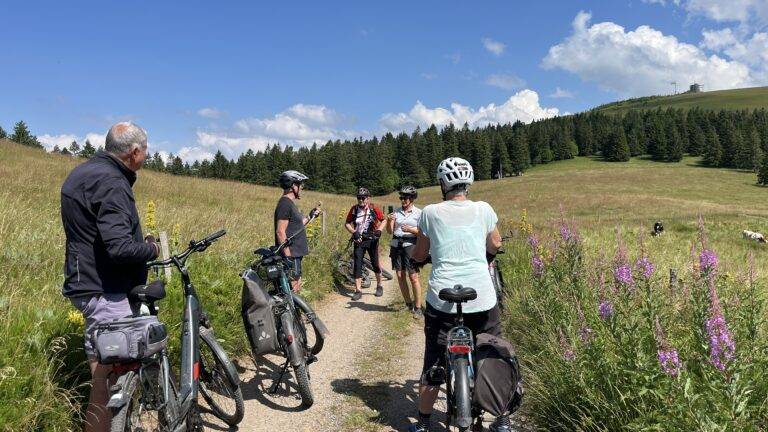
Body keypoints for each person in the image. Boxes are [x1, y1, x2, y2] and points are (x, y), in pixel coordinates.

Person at [61, 122, 160, 432]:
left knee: (101, 375)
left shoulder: (80, 173)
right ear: (133, 152)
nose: (145, 159)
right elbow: (118, 247)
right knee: (113, 383)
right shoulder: (113, 183)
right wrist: (150, 249)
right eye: (145, 153)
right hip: (107, 290)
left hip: (85, 284)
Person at [409, 157, 510, 432]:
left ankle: (423, 424)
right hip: (481, 296)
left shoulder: (429, 212)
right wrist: (486, 255)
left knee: (433, 360)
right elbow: (496, 243)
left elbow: (420, 252)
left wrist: (415, 260)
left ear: (443, 184)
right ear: (468, 182)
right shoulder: (484, 209)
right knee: (490, 353)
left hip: (442, 299)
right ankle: (501, 420)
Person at [274, 170, 322, 293]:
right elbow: (280, 231)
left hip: (295, 253)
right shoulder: (285, 204)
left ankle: (294, 311)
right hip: (291, 253)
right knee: (293, 288)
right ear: (292, 186)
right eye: (300, 184)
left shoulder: (289, 204)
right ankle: (292, 311)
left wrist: (310, 216)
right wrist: (288, 256)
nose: (302, 188)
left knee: (296, 285)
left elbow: (298, 225)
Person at [386, 185, 424, 318]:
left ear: (412, 198)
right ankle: (408, 304)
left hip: (411, 244)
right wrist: (389, 221)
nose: (403, 200)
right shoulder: (396, 212)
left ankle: (418, 307)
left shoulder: (419, 213)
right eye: (401, 197)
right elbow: (390, 231)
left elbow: (423, 233)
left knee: (413, 276)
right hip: (396, 244)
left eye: (406, 197)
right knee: (400, 275)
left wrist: (411, 230)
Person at [345, 187, 385, 301]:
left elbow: (384, 220)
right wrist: (354, 232)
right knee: (357, 264)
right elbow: (347, 223)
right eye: (359, 198)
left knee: (375, 263)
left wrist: (379, 230)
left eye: (363, 198)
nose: (361, 200)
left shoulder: (373, 208)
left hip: (372, 240)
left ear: (368, 198)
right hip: (359, 240)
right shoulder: (354, 209)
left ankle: (379, 286)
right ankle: (358, 290)